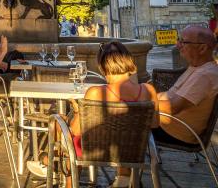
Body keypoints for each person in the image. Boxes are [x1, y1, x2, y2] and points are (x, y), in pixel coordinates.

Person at [27, 41, 159, 188]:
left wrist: (78, 111)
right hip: (132, 150)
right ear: (128, 60)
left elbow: (76, 131)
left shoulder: (96, 93)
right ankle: (123, 178)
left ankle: (58, 170)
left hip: (96, 150)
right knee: (122, 134)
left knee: (60, 123)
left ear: (102, 66)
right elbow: (154, 123)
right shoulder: (148, 90)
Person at [155, 24, 218, 145]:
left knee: (119, 119)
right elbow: (170, 96)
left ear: (202, 49)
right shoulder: (198, 67)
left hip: (174, 132)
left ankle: (125, 162)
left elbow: (172, 108)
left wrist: (140, 103)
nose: (178, 45)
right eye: (179, 40)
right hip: (169, 124)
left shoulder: (205, 76)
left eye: (183, 42)